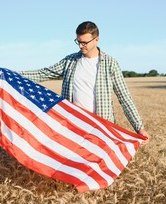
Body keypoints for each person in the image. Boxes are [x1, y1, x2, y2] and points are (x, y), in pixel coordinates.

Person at [19, 21, 149, 143]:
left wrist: (139, 128)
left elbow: (124, 97)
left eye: (85, 42)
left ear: (96, 39)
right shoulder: (70, 61)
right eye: (78, 41)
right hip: (74, 124)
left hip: (101, 127)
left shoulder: (110, 64)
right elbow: (44, 73)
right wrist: (14, 74)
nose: (81, 46)